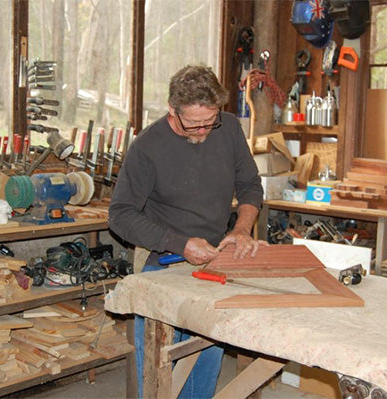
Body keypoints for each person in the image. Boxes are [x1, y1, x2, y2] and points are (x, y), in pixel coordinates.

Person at [109, 64, 264, 399]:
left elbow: (250, 185)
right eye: (194, 124)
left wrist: (240, 229)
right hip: (161, 260)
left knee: (204, 363)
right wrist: (180, 243)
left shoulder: (229, 130)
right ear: (172, 110)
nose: (204, 131)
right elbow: (120, 215)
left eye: (211, 121)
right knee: (158, 373)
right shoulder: (147, 147)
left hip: (215, 259)